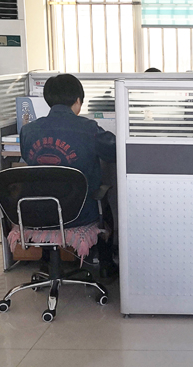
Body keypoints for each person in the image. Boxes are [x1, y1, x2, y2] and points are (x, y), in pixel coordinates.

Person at [20, 74, 118, 273]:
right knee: (105, 197)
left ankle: (47, 262)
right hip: (79, 213)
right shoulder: (88, 129)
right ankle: (106, 266)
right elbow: (114, 151)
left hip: (38, 212)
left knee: (46, 187)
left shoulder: (28, 131)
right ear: (78, 100)